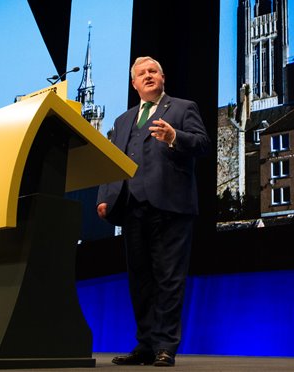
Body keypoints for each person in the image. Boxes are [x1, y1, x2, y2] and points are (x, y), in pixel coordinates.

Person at [96, 56, 210, 367]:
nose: (148, 76)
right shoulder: (122, 121)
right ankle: (145, 345)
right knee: (140, 281)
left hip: (172, 206)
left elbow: (202, 143)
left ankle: (165, 347)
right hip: (133, 209)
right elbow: (113, 162)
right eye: (141, 73)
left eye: (153, 71)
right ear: (134, 84)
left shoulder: (183, 108)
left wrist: (175, 137)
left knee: (169, 279)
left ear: (162, 78)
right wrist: (105, 197)